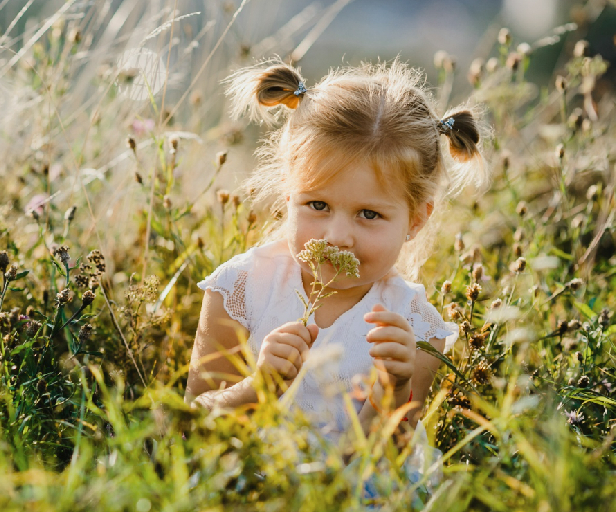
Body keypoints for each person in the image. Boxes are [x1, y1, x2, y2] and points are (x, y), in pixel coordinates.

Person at [183, 59, 485, 494]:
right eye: (317, 205)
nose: (337, 237)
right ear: (289, 196)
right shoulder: (241, 287)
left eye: (369, 214)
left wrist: (392, 388)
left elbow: (383, 457)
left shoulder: (414, 326)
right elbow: (193, 418)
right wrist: (258, 387)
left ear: (416, 220)